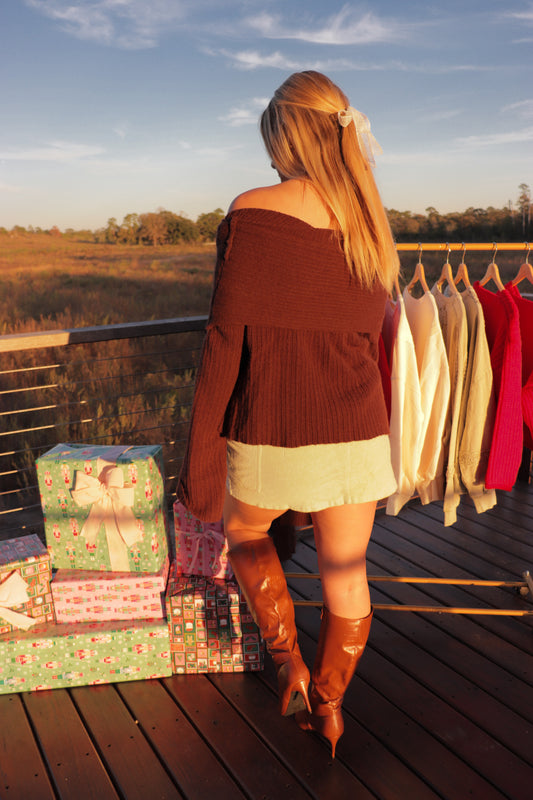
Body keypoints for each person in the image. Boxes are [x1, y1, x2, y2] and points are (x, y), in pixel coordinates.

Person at [177, 70, 399, 758]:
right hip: (359, 431)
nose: (270, 158)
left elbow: (224, 343)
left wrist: (200, 466)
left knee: (244, 535)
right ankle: (329, 704)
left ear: (288, 137)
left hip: (271, 427)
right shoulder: (369, 224)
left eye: (272, 141)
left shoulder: (253, 211)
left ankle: (289, 664)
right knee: (346, 569)